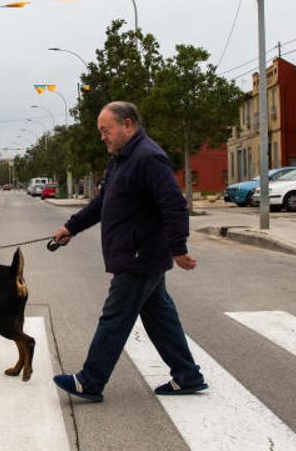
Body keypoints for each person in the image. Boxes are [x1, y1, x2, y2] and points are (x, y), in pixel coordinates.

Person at [51, 101, 206, 402]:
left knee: (115, 317)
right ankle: (188, 375)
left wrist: (178, 248)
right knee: (160, 316)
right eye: (100, 132)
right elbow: (101, 203)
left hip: (139, 255)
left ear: (128, 125)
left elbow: (173, 204)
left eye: (106, 130)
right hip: (136, 253)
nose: (103, 137)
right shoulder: (121, 159)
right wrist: (72, 227)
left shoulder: (149, 158)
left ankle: (91, 380)